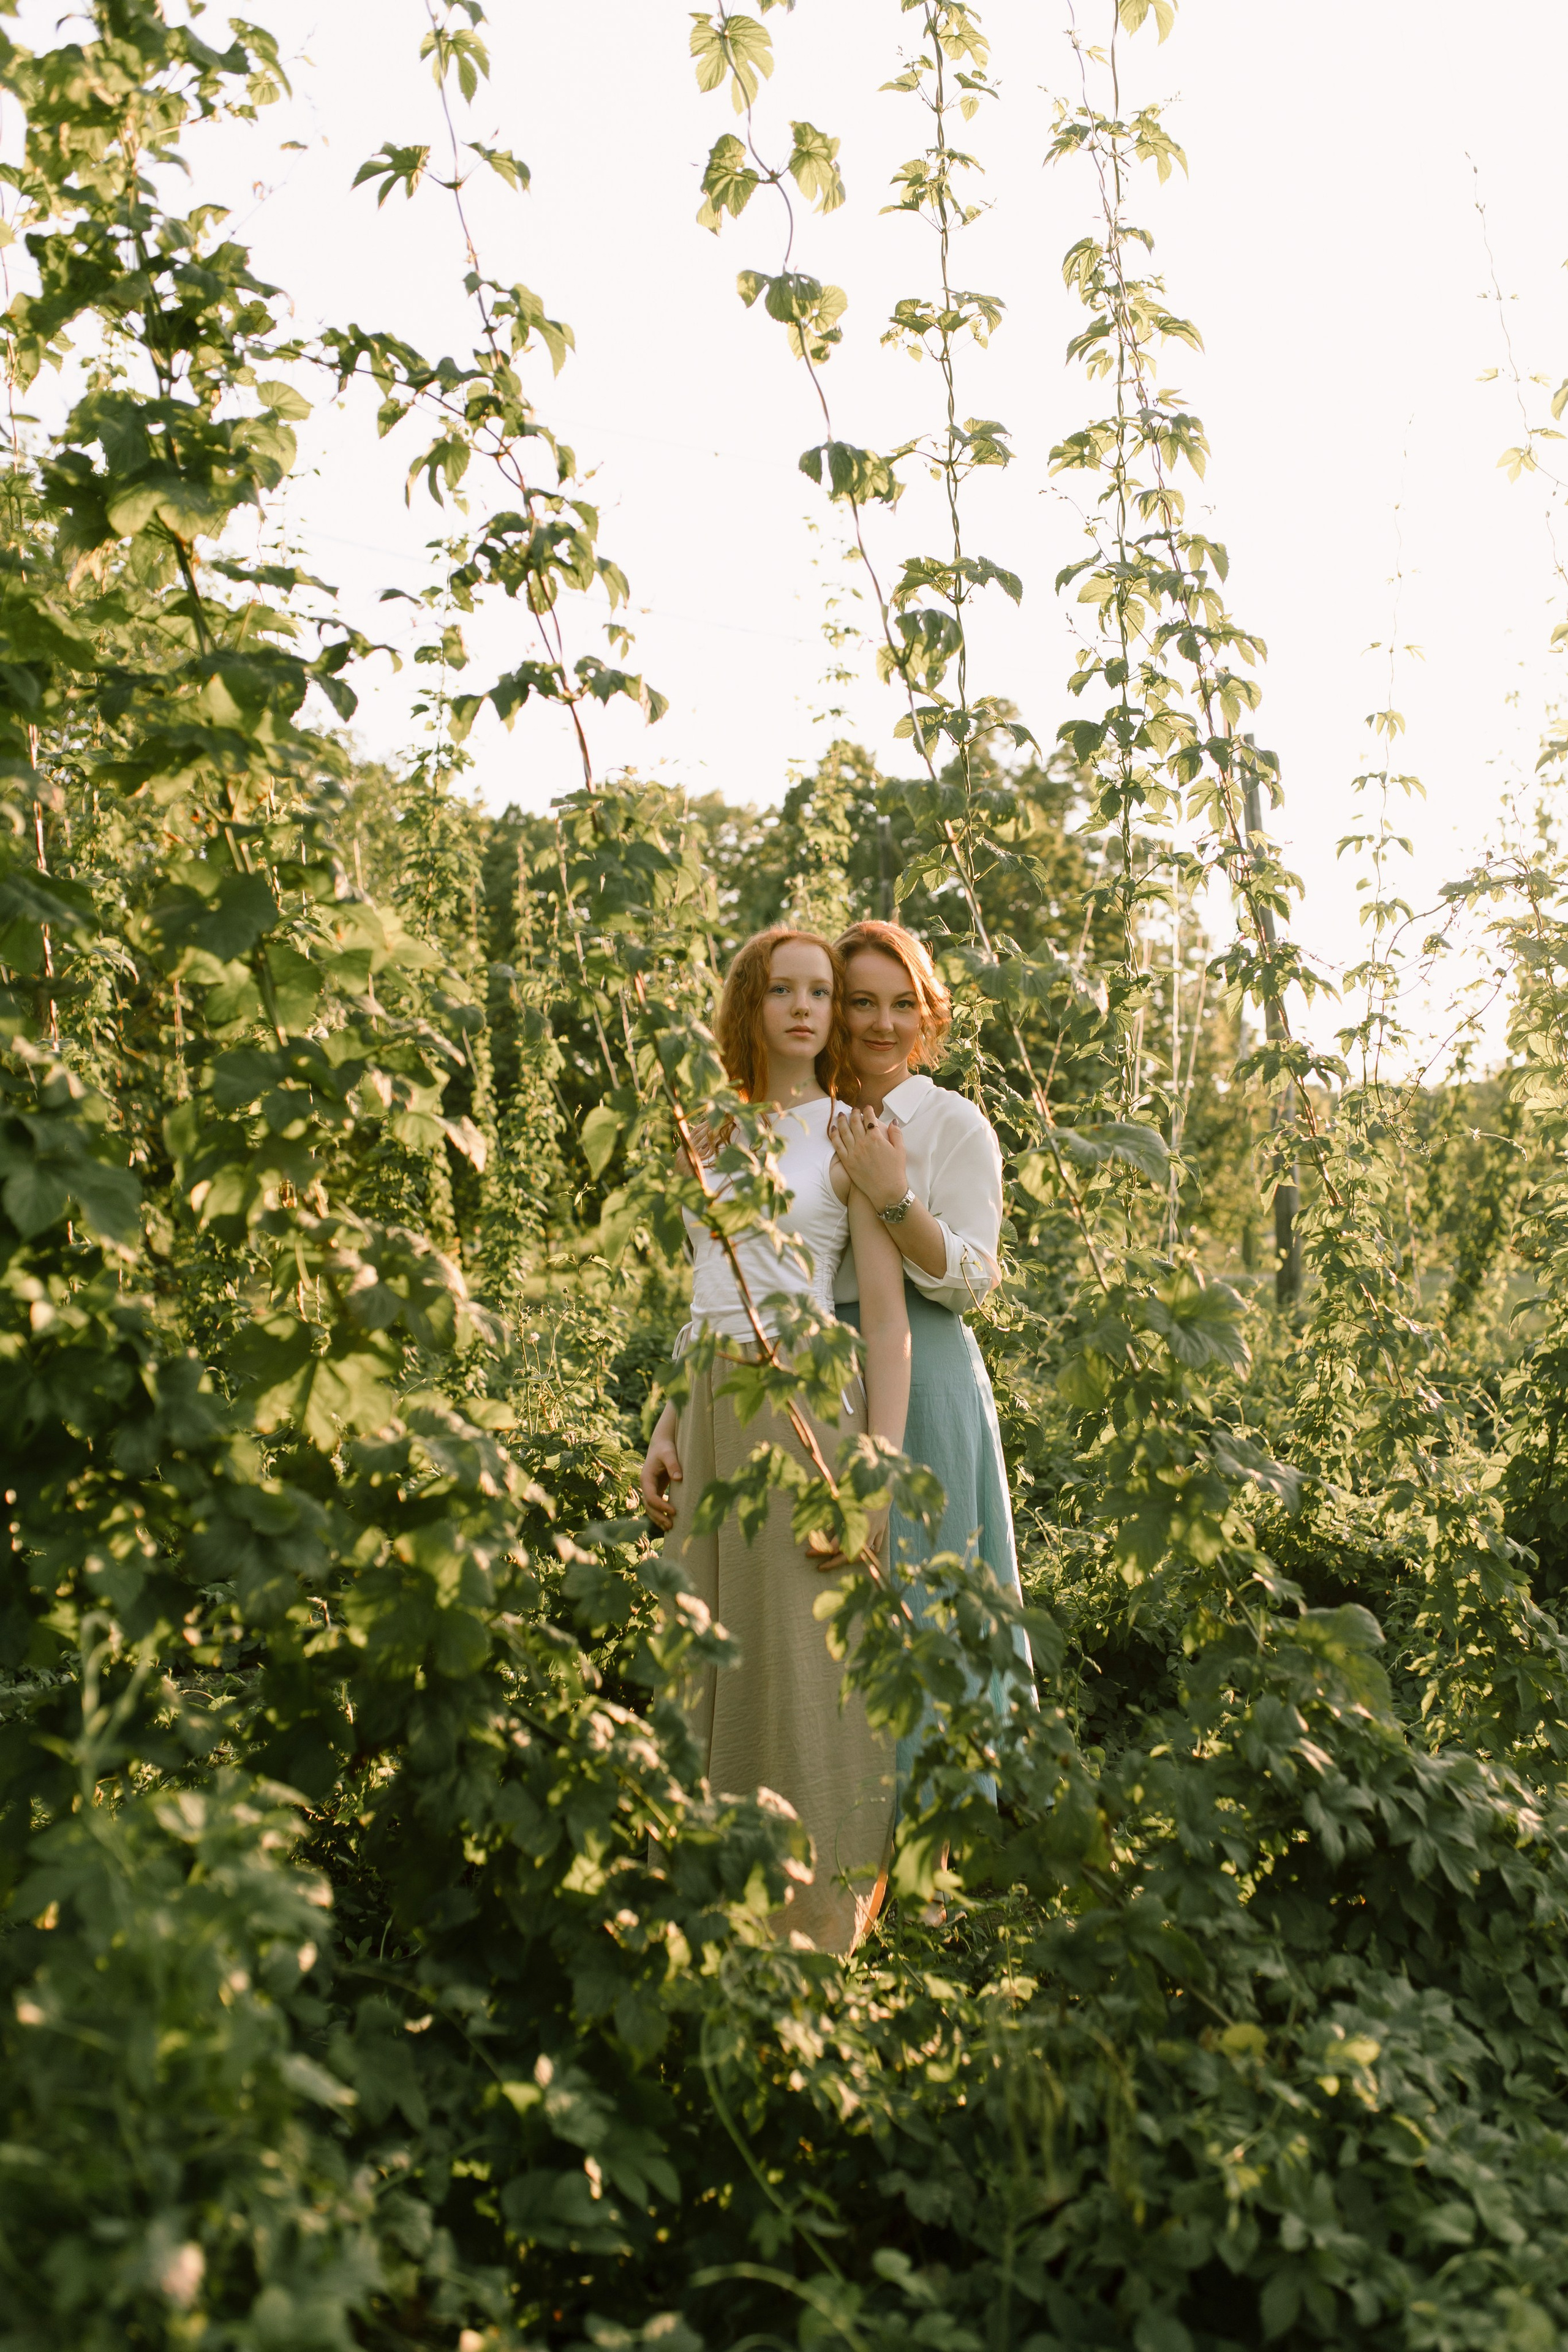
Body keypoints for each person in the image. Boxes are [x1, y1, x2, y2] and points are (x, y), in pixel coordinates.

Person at [639, 927, 911, 1954]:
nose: (806, 1008)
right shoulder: (706, 1132)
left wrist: (873, 1478)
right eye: (784, 990)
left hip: (805, 1408)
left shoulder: (853, 1133)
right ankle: (702, 1914)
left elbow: (882, 1326)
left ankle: (810, 1926)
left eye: (823, 992)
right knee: (708, 1651)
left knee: (805, 1664)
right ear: (750, 1003)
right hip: (708, 1408)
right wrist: (668, 1419)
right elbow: (709, 1291)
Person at [826, 919, 1031, 1806]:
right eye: (861, 1002)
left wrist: (893, 1195)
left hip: (931, 1366)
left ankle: (938, 1845)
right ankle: (842, 1829)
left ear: (928, 1014)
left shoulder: (954, 1124)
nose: (881, 1023)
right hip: (819, 1365)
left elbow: (976, 1275)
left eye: (901, 1003)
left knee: (928, 1589)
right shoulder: (802, 1119)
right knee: (832, 1591)